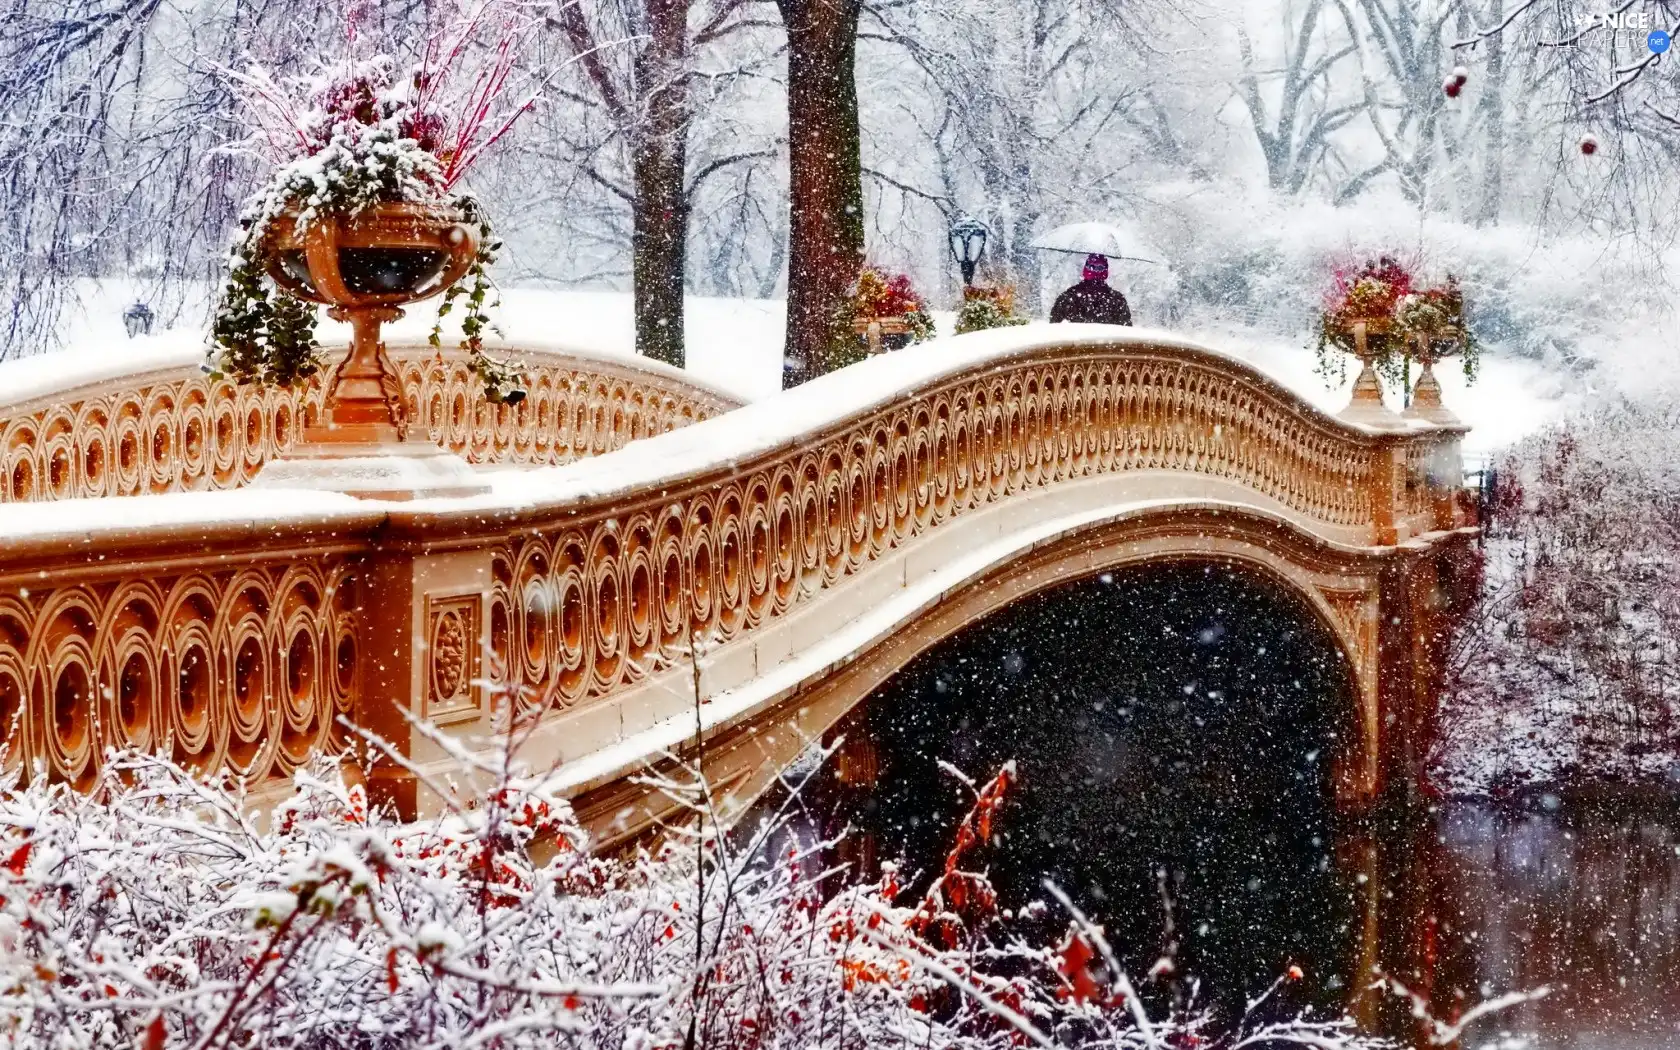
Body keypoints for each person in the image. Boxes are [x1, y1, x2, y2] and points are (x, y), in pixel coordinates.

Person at [1050, 255, 1131, 325]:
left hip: (1075, 342)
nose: (1095, 271)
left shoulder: (1068, 296)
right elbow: (1126, 334)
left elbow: (1054, 330)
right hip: (1108, 342)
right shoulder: (1117, 299)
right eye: (1092, 267)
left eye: (1099, 267)